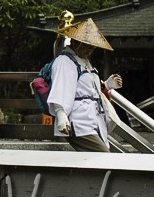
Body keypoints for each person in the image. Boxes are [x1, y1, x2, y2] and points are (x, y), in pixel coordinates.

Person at [46, 17, 123, 151]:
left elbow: (87, 89)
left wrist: (107, 85)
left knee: (96, 158)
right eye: (87, 47)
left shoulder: (84, 62)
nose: (89, 51)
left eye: (92, 48)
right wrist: (61, 115)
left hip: (93, 118)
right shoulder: (64, 61)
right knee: (103, 156)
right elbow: (61, 89)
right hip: (78, 121)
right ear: (75, 42)